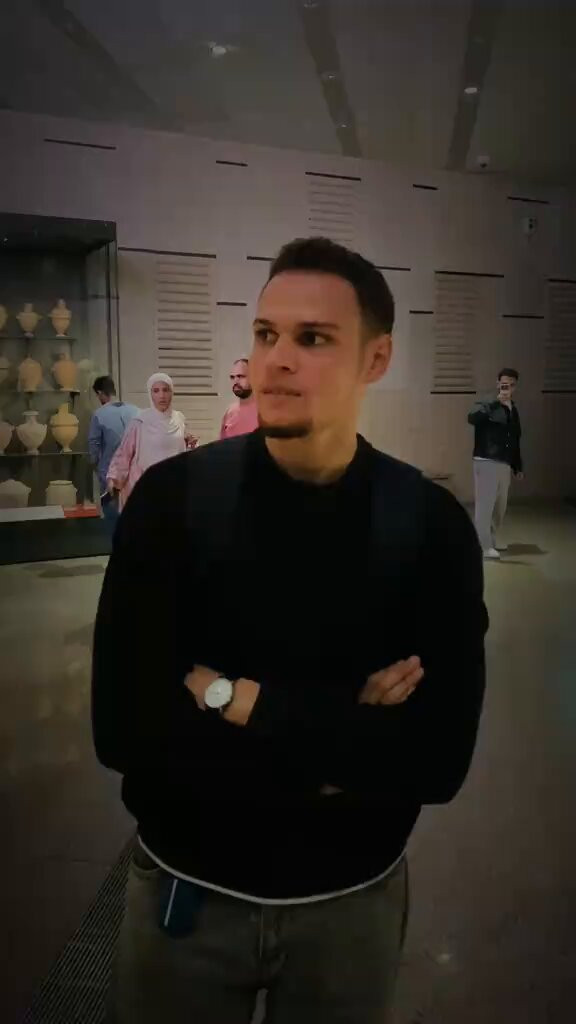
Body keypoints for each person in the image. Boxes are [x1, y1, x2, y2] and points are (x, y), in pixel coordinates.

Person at [93, 237, 488, 1024]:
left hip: (350, 904)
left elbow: (437, 760)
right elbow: (124, 729)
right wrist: (347, 738)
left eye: (313, 338)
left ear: (376, 359)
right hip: (187, 894)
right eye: (267, 334)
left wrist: (232, 698)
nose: (275, 359)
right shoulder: (172, 505)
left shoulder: (428, 527)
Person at [106, 372, 195, 511]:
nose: (162, 395)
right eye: (156, 391)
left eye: (166, 390)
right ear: (150, 393)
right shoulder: (140, 422)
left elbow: (181, 449)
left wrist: (191, 445)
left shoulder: (179, 419)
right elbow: (124, 453)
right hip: (145, 485)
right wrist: (114, 478)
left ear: (172, 392)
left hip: (173, 486)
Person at [468, 368, 523, 560]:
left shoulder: (513, 409)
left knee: (500, 506)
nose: (507, 387)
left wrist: (517, 466)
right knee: (485, 505)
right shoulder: (487, 402)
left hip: (504, 463)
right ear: (498, 383)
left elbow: (515, 438)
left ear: (515, 387)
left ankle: (490, 539)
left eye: (511, 384)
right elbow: (472, 418)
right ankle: (483, 545)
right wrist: (494, 402)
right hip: (486, 460)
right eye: (504, 383)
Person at [88, 376, 139, 531]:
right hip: (133, 472)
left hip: (110, 473)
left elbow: (94, 444)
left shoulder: (99, 414)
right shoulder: (136, 411)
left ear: (100, 393)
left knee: (112, 521)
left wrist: (93, 463)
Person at [220, 357, 259, 438]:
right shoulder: (230, 412)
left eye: (240, 376)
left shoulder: (266, 411)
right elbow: (222, 443)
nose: (235, 381)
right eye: (232, 377)